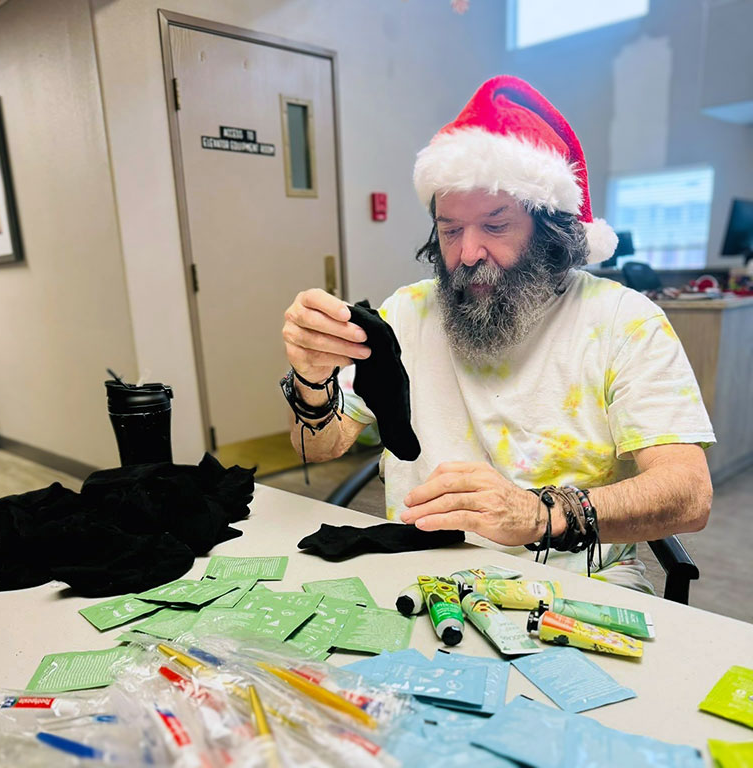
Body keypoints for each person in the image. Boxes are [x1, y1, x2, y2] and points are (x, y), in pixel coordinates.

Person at [280, 76, 714, 592]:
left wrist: (538, 514)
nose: (467, 254)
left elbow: (689, 493)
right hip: (419, 578)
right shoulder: (406, 314)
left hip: (578, 587)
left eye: (495, 225)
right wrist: (310, 378)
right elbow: (322, 446)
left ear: (549, 228)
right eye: (450, 229)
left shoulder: (623, 321)